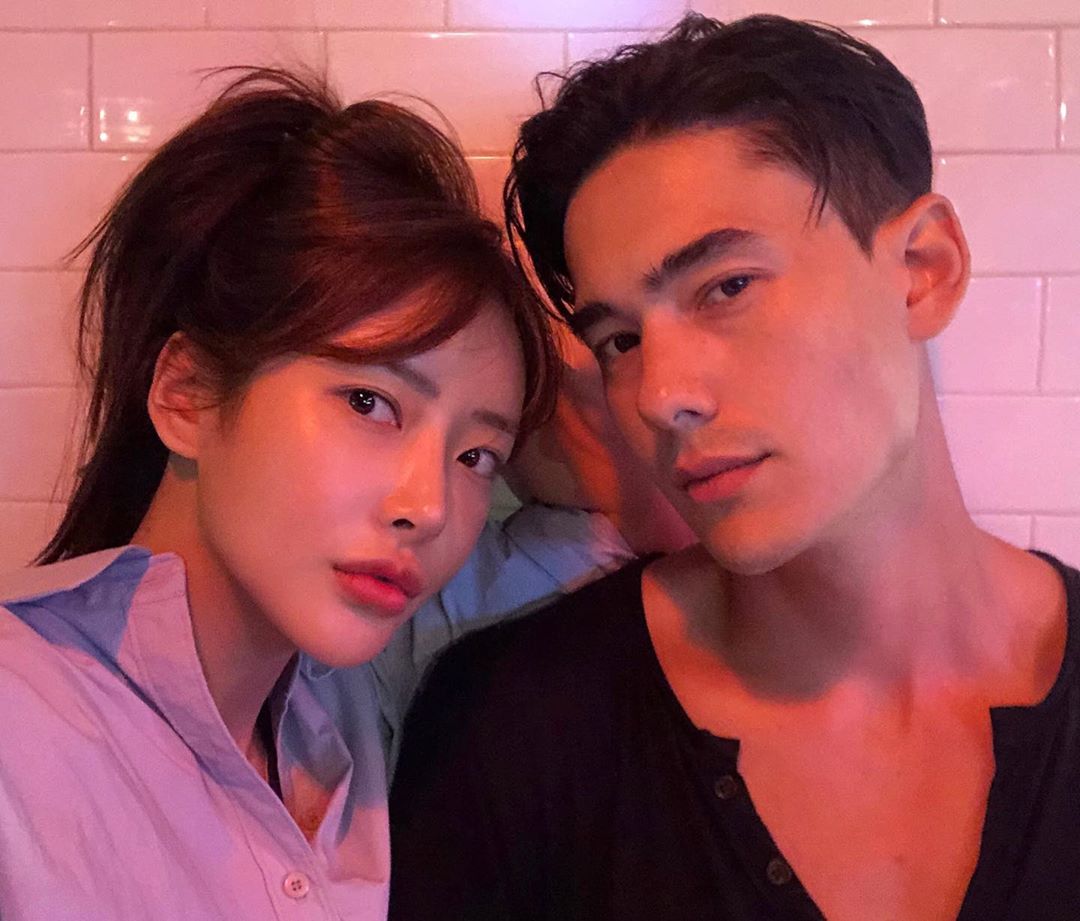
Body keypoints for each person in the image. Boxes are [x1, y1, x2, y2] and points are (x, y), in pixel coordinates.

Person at [388, 15, 1080, 921]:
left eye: (727, 287)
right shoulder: (515, 730)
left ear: (922, 268)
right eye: (620, 339)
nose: (659, 394)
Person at [0, 66, 657, 920]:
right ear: (187, 393)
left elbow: (628, 537)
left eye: (475, 456)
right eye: (370, 402)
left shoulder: (359, 687)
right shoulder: (22, 729)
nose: (428, 506)